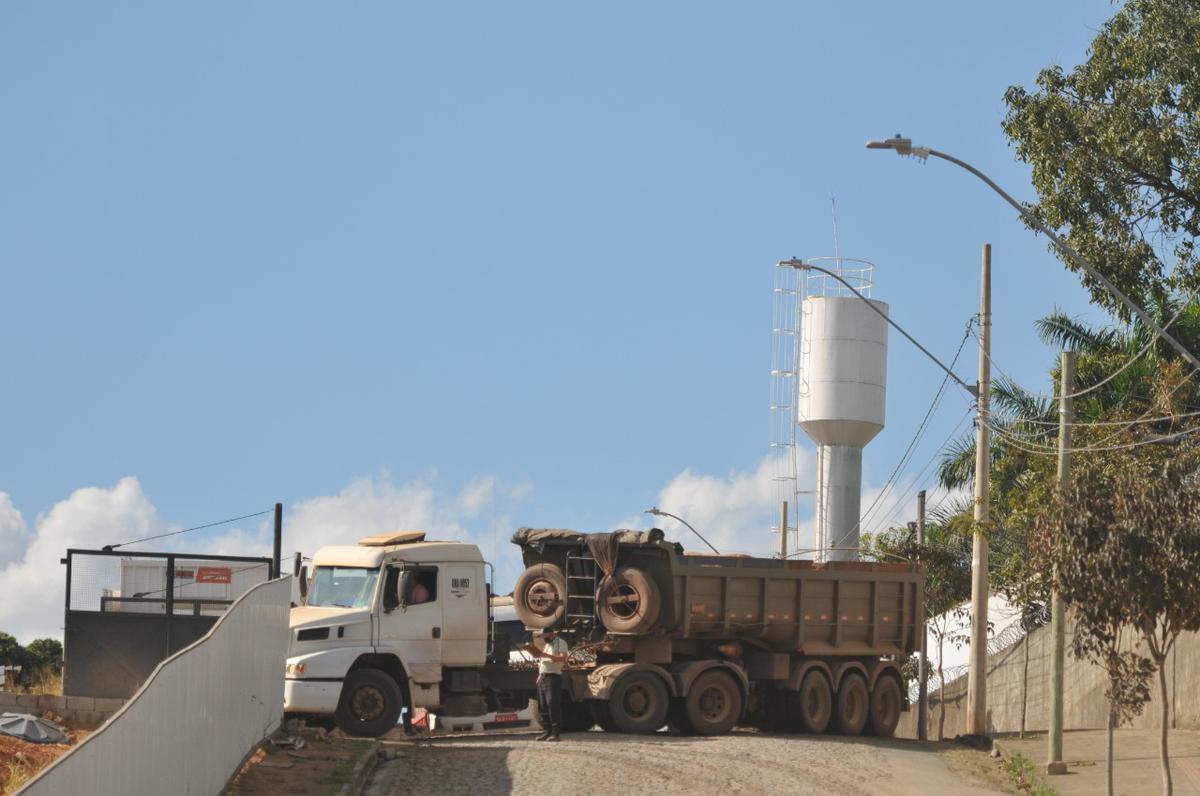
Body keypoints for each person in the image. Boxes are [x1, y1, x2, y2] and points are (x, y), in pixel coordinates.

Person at [524, 627, 568, 741]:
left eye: (545, 636)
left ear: (551, 633)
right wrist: (540, 674)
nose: (543, 638)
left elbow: (563, 658)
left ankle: (555, 733)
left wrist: (548, 656)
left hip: (553, 677)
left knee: (552, 705)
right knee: (542, 706)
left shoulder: (561, 643)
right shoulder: (547, 645)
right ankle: (547, 731)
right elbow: (543, 662)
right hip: (543, 677)